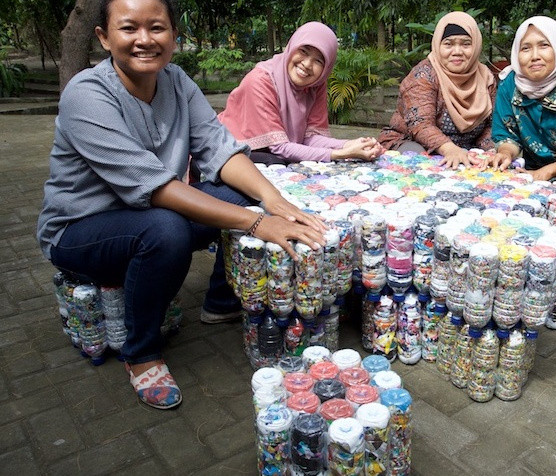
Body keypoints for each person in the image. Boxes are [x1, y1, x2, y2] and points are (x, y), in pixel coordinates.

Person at [36, 0, 326, 410]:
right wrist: (258, 224)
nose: (144, 40)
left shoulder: (177, 82)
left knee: (243, 190)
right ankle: (141, 353)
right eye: (128, 28)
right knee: (166, 230)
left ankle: (221, 302)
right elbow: (154, 187)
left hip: (151, 214)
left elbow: (221, 151)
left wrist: (274, 200)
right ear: (104, 37)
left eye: (156, 28)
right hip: (80, 229)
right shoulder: (86, 95)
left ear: (174, 36)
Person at [218, 22, 383, 165]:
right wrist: (341, 154)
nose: (307, 64)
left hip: (273, 153)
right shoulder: (261, 80)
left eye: (319, 60)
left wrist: (351, 144)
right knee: (281, 166)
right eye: (304, 51)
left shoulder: (315, 85)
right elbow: (279, 147)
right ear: (292, 46)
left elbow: (310, 138)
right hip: (230, 154)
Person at [378, 11, 496, 169]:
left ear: (475, 46)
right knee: (417, 162)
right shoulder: (423, 75)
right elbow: (421, 125)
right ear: (438, 46)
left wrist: (490, 151)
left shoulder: (485, 78)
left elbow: (491, 125)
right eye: (448, 44)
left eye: (466, 44)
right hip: (411, 142)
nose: (457, 51)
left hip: (465, 149)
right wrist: (450, 149)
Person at [486, 16, 556, 181]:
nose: (535, 56)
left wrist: (546, 172)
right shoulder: (510, 84)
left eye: (544, 45)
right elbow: (506, 134)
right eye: (525, 48)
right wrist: (505, 153)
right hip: (525, 172)